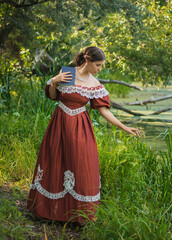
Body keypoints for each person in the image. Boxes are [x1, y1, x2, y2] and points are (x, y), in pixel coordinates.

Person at [27, 46, 140, 225]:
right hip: (59, 123)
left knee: (80, 164)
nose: (100, 69)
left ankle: (79, 216)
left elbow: (104, 111)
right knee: (55, 160)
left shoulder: (94, 84)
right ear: (87, 61)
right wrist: (55, 81)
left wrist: (124, 127)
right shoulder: (69, 73)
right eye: (98, 65)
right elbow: (53, 96)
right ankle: (48, 211)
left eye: (101, 65)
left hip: (80, 127)